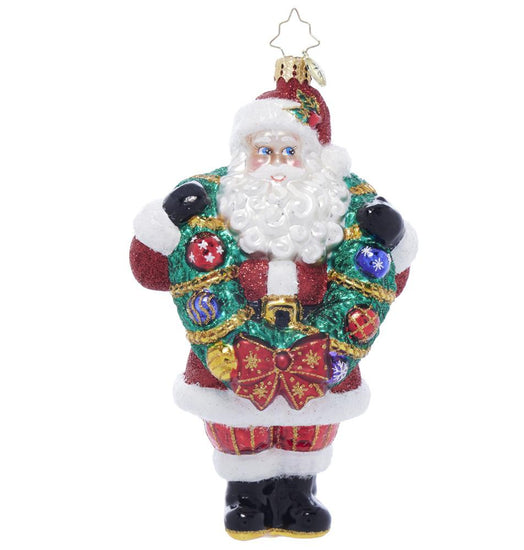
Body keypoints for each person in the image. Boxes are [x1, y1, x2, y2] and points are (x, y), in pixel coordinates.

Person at [130, 56, 417, 539]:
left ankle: (298, 494)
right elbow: (151, 272)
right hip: (227, 344)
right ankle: (245, 496)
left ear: (314, 158)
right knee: (238, 426)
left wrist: (392, 239)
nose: (277, 164)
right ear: (245, 154)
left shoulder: (344, 208)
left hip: (321, 347)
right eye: (264, 151)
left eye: (289, 151)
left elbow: (385, 281)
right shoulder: (212, 204)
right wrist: (167, 219)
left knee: (309, 425)